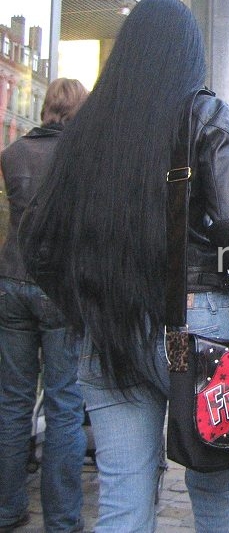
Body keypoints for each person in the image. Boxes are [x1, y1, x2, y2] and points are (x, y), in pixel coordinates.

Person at [18, 0, 229, 532]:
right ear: (188, 55)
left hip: (109, 326)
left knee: (123, 497)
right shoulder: (204, 113)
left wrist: (79, 304)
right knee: (214, 488)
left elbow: (37, 238)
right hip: (198, 320)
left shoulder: (89, 127)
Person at [0, 78, 89, 532]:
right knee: (64, 405)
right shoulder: (81, 158)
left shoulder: (13, 154)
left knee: (13, 403)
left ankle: (7, 508)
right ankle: (62, 519)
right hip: (60, 288)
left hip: (12, 281)